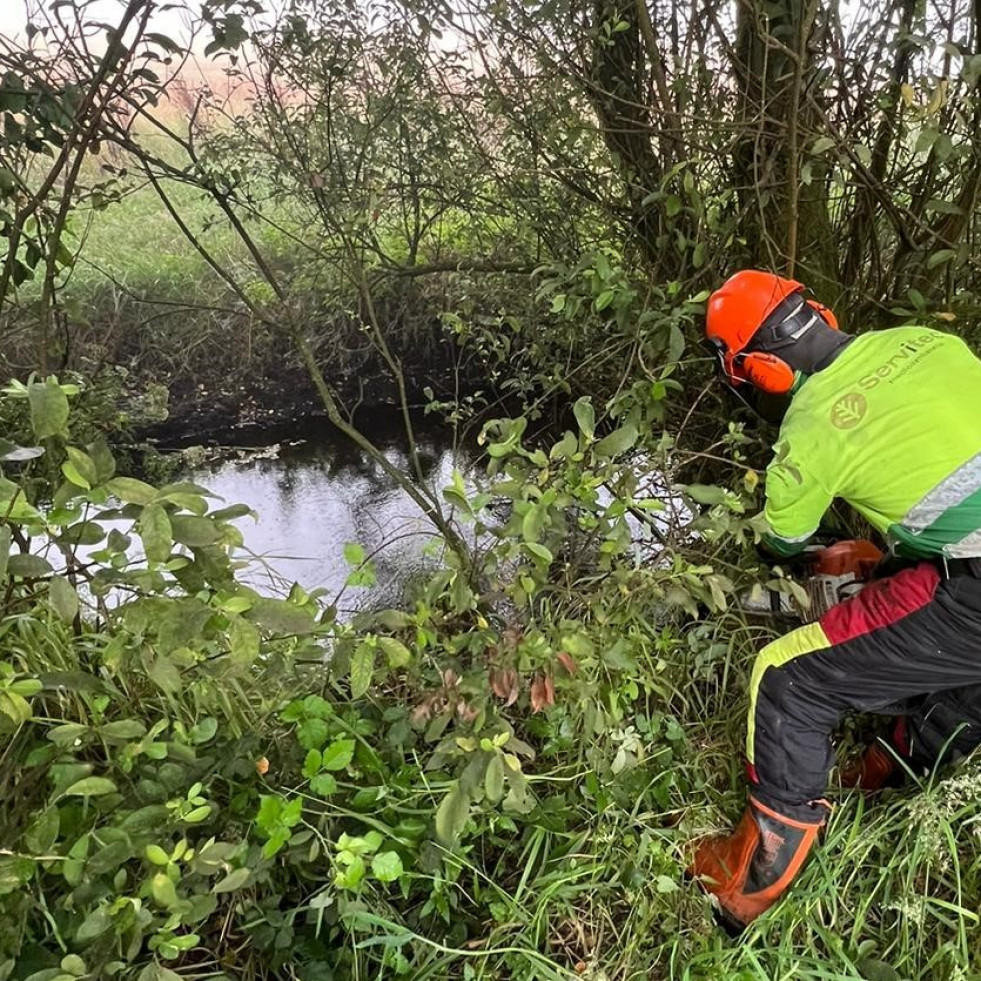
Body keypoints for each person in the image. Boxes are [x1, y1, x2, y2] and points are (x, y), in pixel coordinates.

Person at [688, 269, 981, 931]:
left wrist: (807, 548)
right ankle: (891, 771)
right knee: (959, 663)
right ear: (816, 312)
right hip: (968, 559)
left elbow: (783, 537)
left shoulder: (809, 426)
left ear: (759, 370)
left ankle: (746, 886)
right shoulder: (923, 341)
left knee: (786, 677)